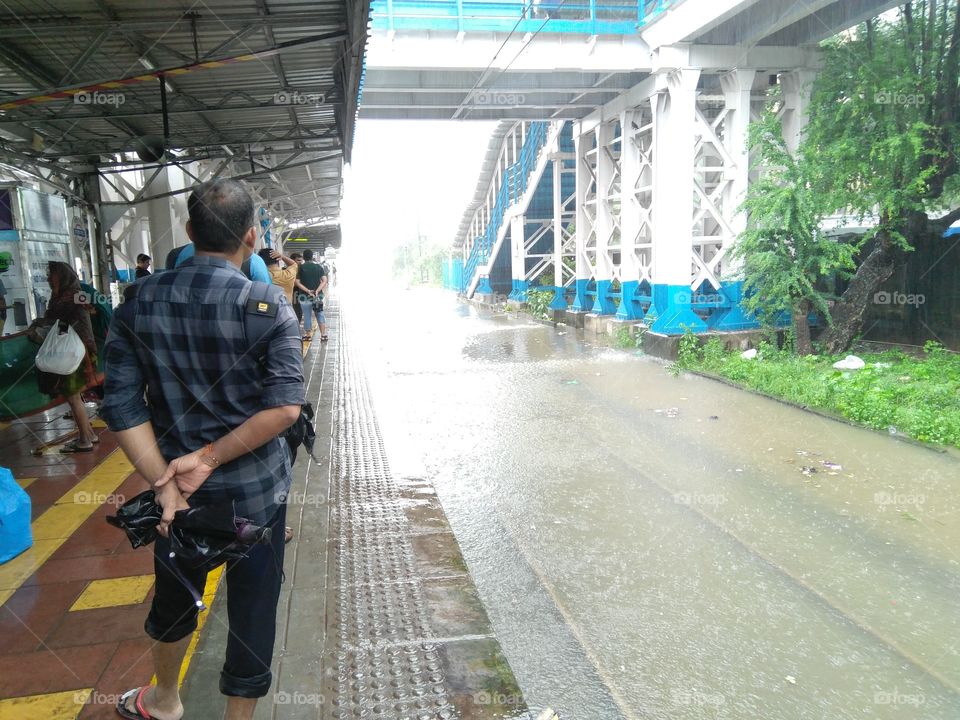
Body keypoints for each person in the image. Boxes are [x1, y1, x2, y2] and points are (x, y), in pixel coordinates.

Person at [100, 178, 304, 720]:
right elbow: (286, 409)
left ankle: (165, 700)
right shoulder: (268, 306)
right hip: (258, 497)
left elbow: (122, 405)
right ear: (252, 237)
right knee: (255, 605)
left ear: (189, 232)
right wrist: (212, 458)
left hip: (179, 507)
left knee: (174, 598)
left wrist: (165, 483)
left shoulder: (138, 301)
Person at [28, 262, 98, 452]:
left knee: (73, 397)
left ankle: (84, 440)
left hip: (73, 353)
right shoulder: (74, 294)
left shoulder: (68, 298)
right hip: (79, 351)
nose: (49, 279)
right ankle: (89, 434)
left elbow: (58, 322)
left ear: (63, 277)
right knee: (76, 396)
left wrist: (37, 325)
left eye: (52, 275)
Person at [172, 241, 273, 283]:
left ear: (190, 230)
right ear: (251, 235)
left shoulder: (176, 254)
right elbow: (267, 302)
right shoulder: (253, 261)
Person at [295, 249, 327, 342]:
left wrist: (308, 291)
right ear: (312, 256)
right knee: (320, 314)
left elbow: (297, 282)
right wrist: (317, 291)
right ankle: (323, 335)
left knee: (307, 315)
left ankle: (308, 335)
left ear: (304, 257)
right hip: (318, 296)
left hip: (304, 296)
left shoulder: (300, 267)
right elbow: (324, 280)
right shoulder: (318, 267)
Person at [289, 253, 304, 325]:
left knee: (298, 310)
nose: (300, 262)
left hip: (299, 292)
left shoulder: (302, 269)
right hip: (291, 292)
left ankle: (296, 324)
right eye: (298, 260)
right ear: (292, 260)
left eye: (301, 260)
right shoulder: (287, 270)